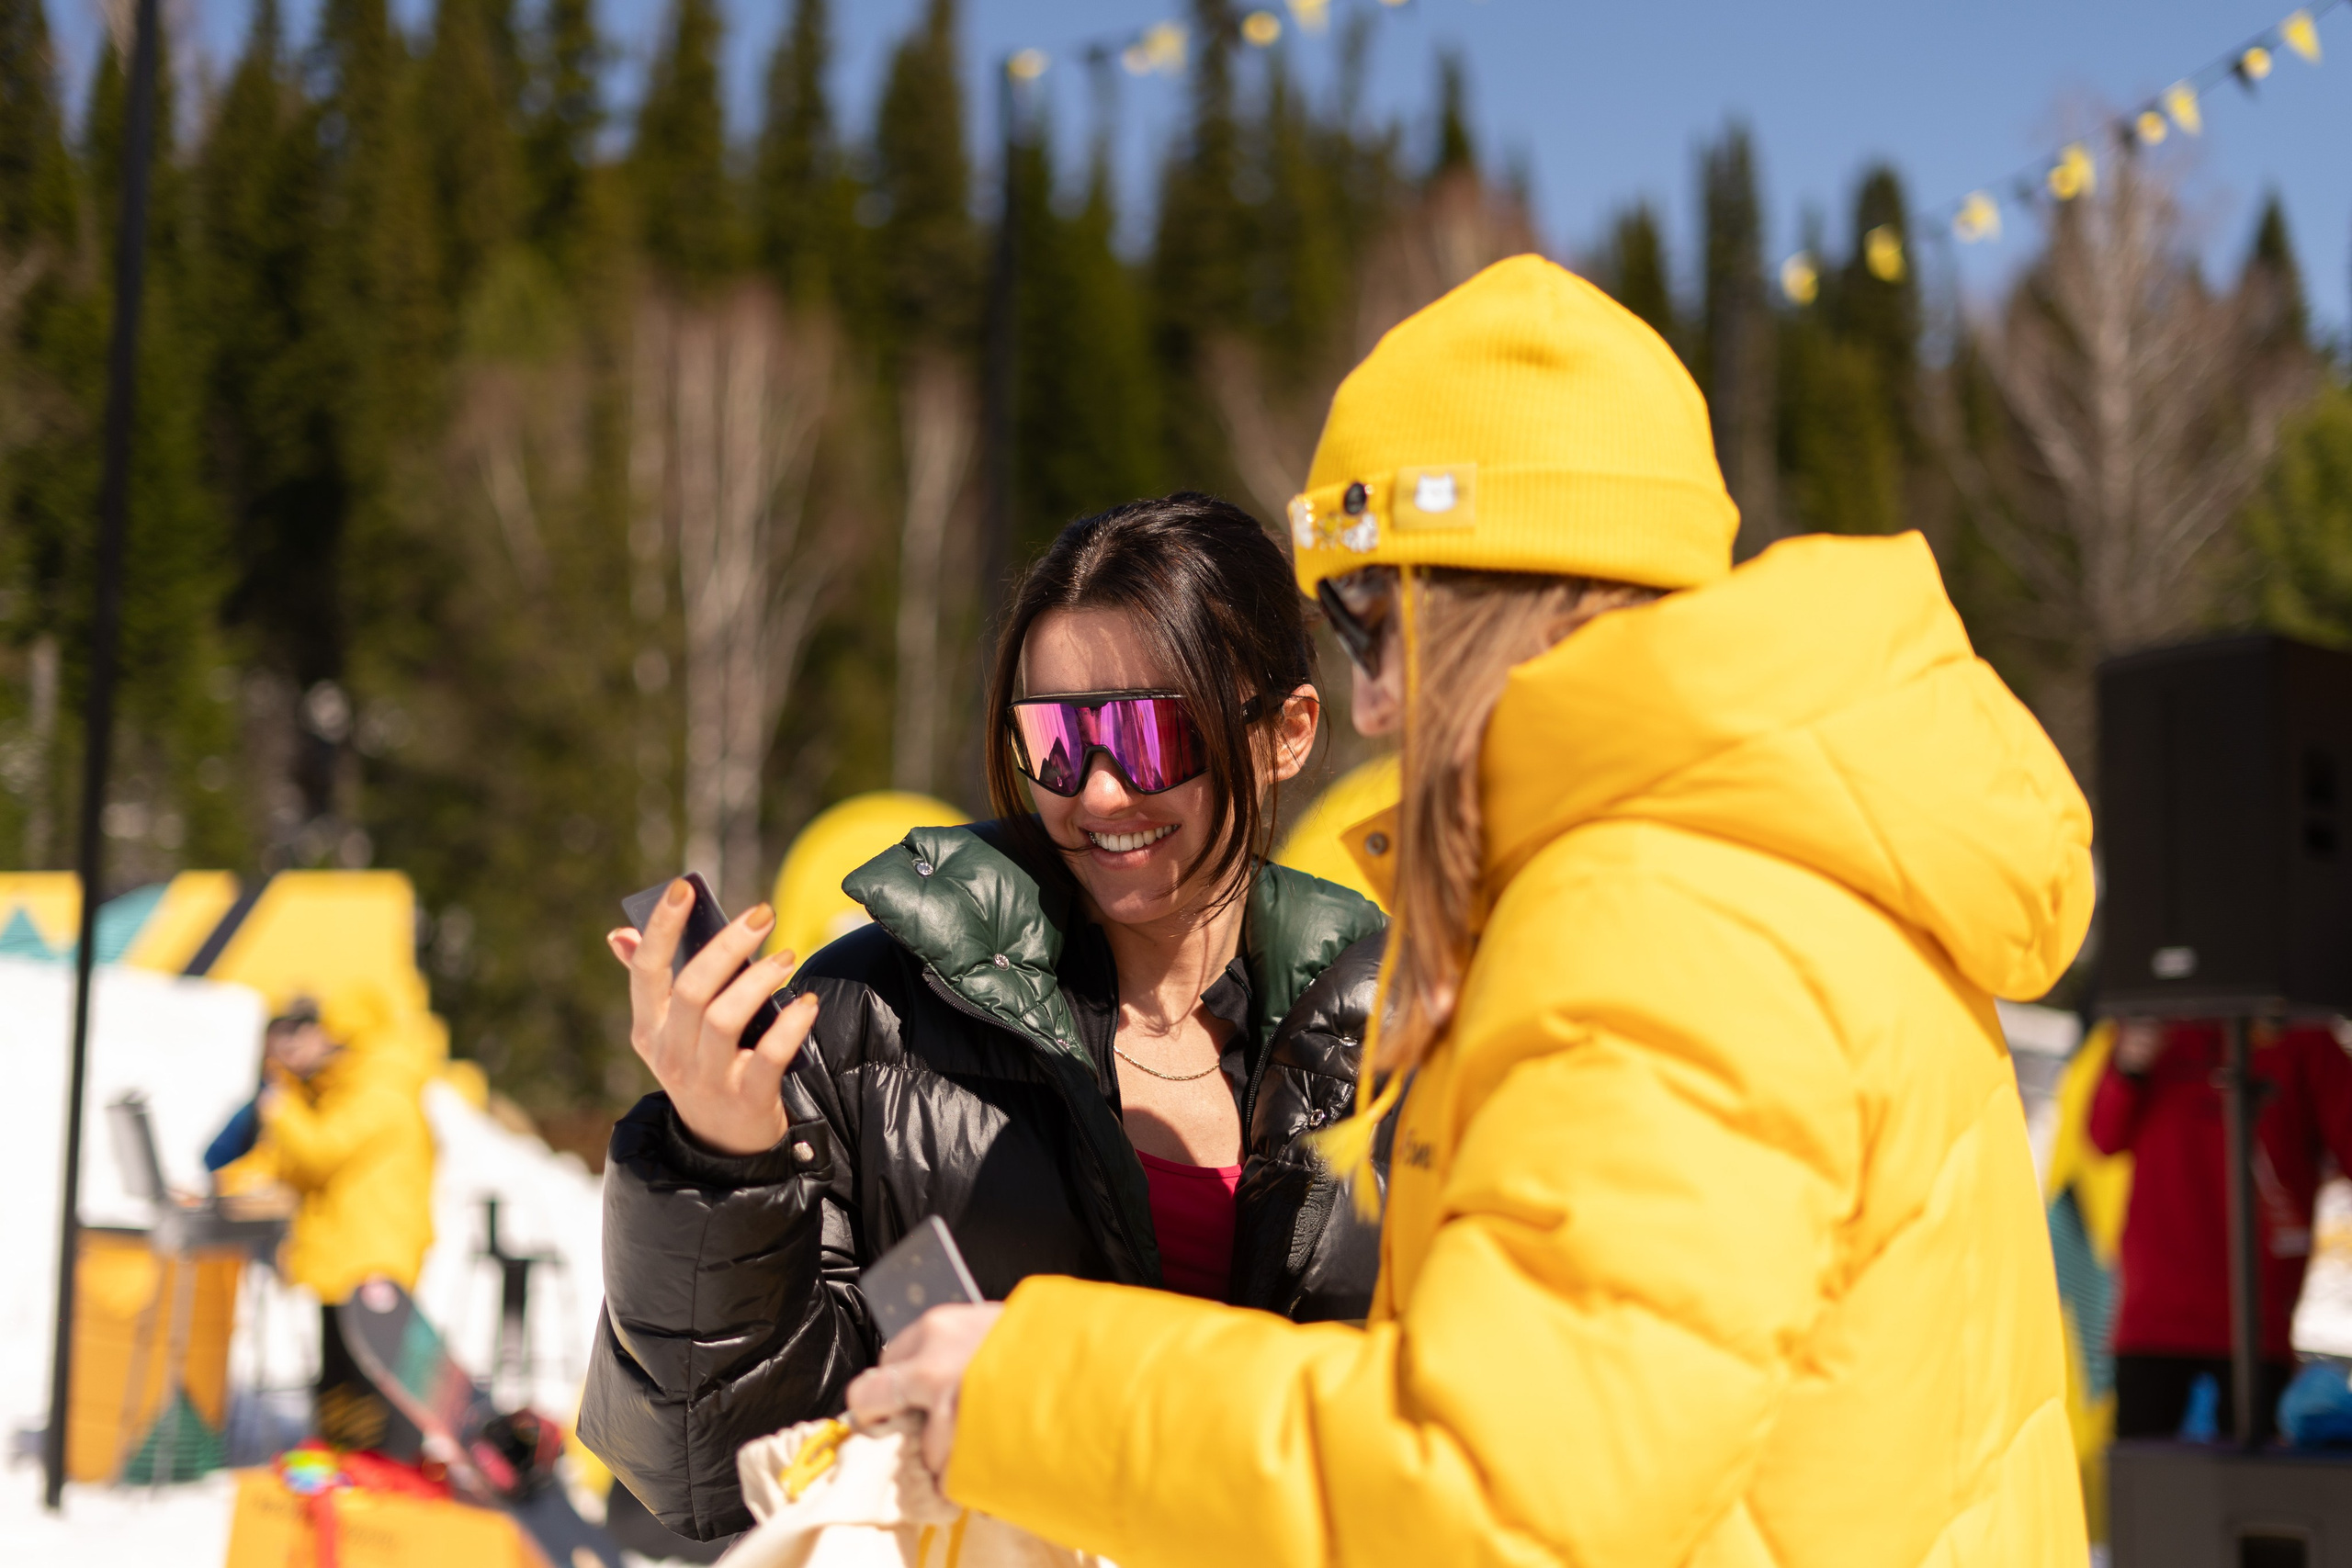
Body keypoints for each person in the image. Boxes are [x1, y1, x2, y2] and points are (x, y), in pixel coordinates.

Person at [844, 255, 2098, 1565]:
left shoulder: (1664, 915)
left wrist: (1032, 1392)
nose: (1373, 704)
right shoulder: (1805, 859)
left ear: (1498, 585)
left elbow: (1503, 1490)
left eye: (1371, 614)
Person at [581, 495, 1391, 1541]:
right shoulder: (872, 1022)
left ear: (1286, 732)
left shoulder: (1403, 1043)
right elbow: (713, 1474)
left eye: (1149, 736)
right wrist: (724, 1165)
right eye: (1055, 739)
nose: (1096, 792)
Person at [2091, 1016, 2352, 1440]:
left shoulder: (2302, 1032)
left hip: (2255, 1315)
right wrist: (2130, 1063)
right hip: (2154, 1312)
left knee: (2249, 1495)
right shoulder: (2155, 1022)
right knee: (2145, 1485)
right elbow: (2102, 1137)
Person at [209, 990, 436, 1454]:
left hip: (375, 1252)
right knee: (337, 1366)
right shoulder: (341, 1091)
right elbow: (292, 1160)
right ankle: (345, 1457)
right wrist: (229, 1181)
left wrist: (281, 1104)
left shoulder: (383, 1088)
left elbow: (321, 1150)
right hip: (343, 1252)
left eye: (324, 1039)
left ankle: (386, 1465)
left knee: (372, 1374)